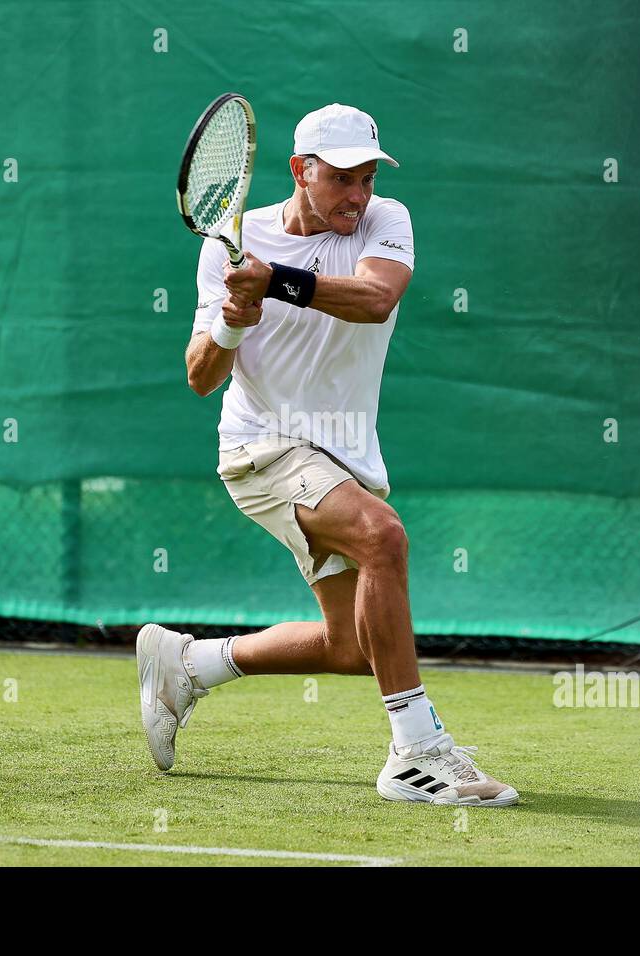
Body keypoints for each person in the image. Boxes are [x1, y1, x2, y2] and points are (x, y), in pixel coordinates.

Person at [138, 103, 517, 806]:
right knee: (382, 537)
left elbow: (375, 299)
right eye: (341, 178)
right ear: (300, 172)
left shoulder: (385, 221)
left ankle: (188, 665)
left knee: (351, 646)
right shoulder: (233, 239)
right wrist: (230, 320)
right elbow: (199, 375)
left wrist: (277, 283)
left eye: (367, 176)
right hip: (260, 449)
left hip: (340, 456)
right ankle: (417, 755)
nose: (357, 194)